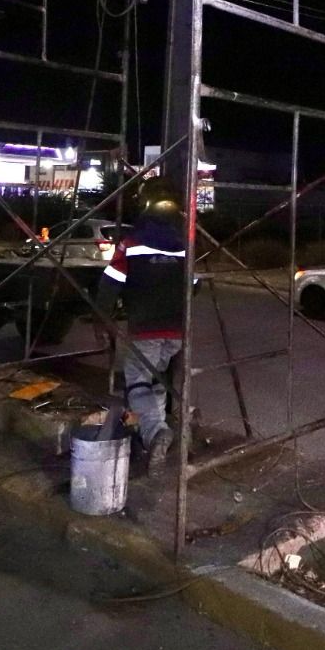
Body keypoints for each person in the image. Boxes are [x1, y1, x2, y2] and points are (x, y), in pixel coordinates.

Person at [97, 181, 187, 474]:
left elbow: (110, 283)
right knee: (157, 381)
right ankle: (155, 438)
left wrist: (103, 317)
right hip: (176, 330)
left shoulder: (132, 243)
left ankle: (155, 432)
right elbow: (194, 285)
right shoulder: (183, 244)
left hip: (145, 327)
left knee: (137, 381)